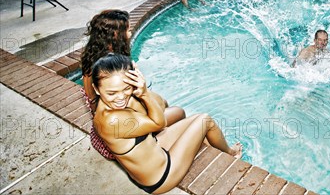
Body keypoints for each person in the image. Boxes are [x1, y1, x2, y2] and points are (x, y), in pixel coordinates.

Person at [92, 54, 242, 194]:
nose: (120, 97)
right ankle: (231, 154)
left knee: (179, 113)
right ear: (96, 89)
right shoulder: (111, 120)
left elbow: (161, 105)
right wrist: (143, 93)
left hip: (155, 150)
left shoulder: (114, 103)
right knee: (205, 120)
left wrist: (140, 88)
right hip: (160, 176)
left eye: (126, 88)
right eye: (112, 93)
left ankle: (202, 144)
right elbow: (158, 123)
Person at [80, 10, 186, 160]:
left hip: (108, 123)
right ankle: (161, 142)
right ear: (115, 35)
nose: (130, 34)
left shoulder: (94, 57)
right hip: (117, 137)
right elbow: (131, 105)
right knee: (179, 112)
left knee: (163, 103)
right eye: (127, 30)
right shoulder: (110, 71)